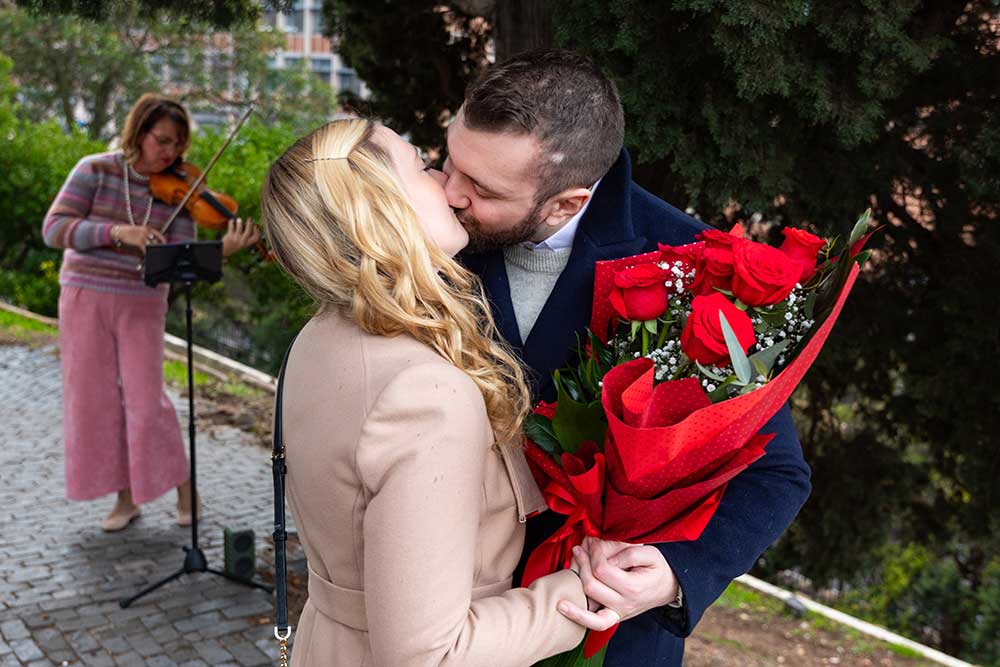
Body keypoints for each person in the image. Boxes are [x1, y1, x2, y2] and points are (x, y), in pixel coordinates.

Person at [444, 49, 813, 666]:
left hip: (604, 629)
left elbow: (776, 474)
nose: (450, 194)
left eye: (480, 188)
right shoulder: (424, 230)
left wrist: (675, 573)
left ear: (567, 202)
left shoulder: (693, 261)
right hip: (443, 611)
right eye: (448, 160)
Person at [260, 118, 597, 666]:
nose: (444, 182)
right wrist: (581, 593)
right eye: (420, 165)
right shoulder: (426, 392)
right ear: (381, 208)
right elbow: (431, 656)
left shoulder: (317, 336)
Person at [42, 93, 261, 532]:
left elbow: (182, 265)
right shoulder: (94, 169)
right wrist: (118, 232)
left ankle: (185, 490)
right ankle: (126, 499)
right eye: (162, 141)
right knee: (96, 402)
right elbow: (55, 229)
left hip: (142, 302)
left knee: (147, 402)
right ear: (138, 134)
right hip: (85, 293)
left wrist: (222, 254)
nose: (171, 153)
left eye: (178, 145)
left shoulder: (182, 191)